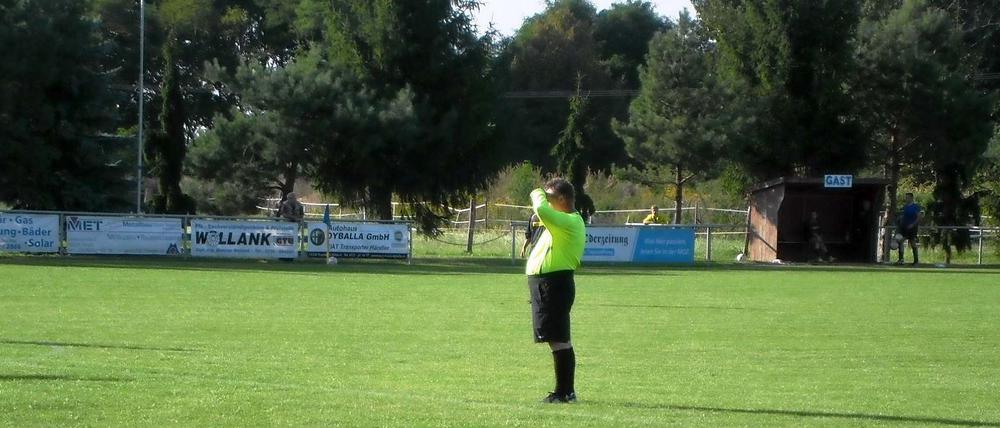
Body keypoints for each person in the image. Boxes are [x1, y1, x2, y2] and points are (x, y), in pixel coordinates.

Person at [525, 178, 586, 404]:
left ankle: (564, 392)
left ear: (561, 199)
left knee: (559, 339)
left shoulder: (569, 220)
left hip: (554, 284)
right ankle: (565, 391)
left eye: (550, 197)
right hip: (548, 284)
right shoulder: (560, 222)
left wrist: (537, 192)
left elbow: (540, 208)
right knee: (556, 338)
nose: (547, 202)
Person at [897, 192, 922, 265]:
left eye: (907, 197)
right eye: (906, 197)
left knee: (912, 242)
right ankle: (901, 260)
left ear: (911, 198)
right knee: (900, 241)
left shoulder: (915, 206)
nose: (906, 199)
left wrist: (913, 224)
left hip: (912, 228)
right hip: (904, 227)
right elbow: (903, 216)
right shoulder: (905, 207)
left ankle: (916, 261)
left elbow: (919, 217)